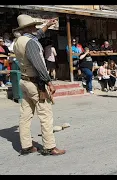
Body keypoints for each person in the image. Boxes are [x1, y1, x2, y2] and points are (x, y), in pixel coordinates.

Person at [13, 14, 65, 156]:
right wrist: (49, 82)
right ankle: (49, 146)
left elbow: (38, 34)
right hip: (36, 83)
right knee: (45, 114)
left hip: (24, 81)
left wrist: (47, 25)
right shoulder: (30, 43)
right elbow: (39, 65)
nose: (36, 28)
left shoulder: (19, 41)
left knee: (25, 115)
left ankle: (26, 146)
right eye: (34, 26)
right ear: (29, 28)